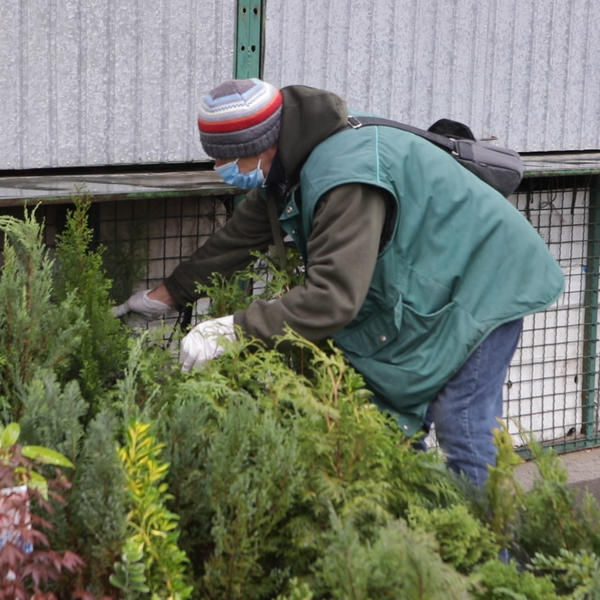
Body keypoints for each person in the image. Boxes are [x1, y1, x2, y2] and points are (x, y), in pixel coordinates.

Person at [114, 78, 564, 487]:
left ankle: (490, 541)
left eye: (228, 157)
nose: (220, 167)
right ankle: (417, 532)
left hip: (489, 277)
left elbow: (333, 298)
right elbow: (233, 243)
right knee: (386, 426)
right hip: (434, 277)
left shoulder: (343, 174)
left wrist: (235, 329)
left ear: (261, 144)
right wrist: (163, 297)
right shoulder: (288, 168)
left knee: (461, 425)